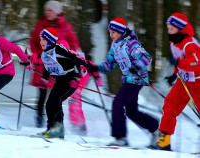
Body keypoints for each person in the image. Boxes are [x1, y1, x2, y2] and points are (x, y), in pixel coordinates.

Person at [85, 17, 159, 146]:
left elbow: (146, 58)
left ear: (120, 31)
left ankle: (120, 138)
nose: (111, 35)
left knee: (117, 103)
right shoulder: (115, 45)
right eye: (109, 32)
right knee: (132, 112)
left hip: (136, 80)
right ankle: (155, 128)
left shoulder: (131, 44)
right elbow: (109, 64)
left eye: (113, 32)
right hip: (127, 80)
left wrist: (137, 66)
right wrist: (96, 68)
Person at [150, 13, 200, 151]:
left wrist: (179, 63)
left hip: (198, 82)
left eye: (171, 29)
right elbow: (179, 61)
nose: (169, 31)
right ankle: (165, 141)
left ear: (180, 29)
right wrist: (174, 74)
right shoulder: (174, 43)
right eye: (168, 28)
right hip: (183, 81)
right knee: (169, 106)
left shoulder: (189, 44)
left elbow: (196, 63)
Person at [29, 0, 80, 128]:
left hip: (62, 67)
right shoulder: (40, 24)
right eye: (46, 10)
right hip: (44, 65)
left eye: (50, 10)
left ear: (57, 12)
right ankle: (41, 119)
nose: (47, 12)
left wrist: (66, 56)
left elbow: (74, 44)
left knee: (55, 97)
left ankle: (57, 126)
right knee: (42, 95)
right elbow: (33, 41)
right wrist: (37, 54)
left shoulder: (66, 27)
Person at [37, 27, 87, 138]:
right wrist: (44, 79)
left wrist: (76, 78)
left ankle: (59, 128)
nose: (41, 42)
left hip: (70, 80)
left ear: (50, 40)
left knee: (56, 100)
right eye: (40, 40)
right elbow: (47, 66)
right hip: (60, 80)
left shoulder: (58, 49)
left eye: (44, 40)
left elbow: (75, 59)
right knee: (49, 103)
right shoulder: (45, 53)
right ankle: (51, 128)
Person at [57, 40, 103, 135]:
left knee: (74, 98)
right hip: (72, 79)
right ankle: (74, 123)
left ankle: (82, 126)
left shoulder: (74, 57)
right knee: (71, 100)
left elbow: (88, 64)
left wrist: (97, 76)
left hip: (81, 78)